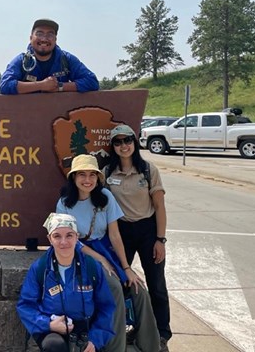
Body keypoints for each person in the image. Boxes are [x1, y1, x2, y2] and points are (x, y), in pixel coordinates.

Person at [57, 154, 161, 352]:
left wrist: (126, 267)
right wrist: (101, 259)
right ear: (73, 177)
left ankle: (151, 346)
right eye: (82, 175)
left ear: (98, 178)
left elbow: (114, 235)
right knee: (113, 286)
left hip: (105, 248)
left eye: (92, 175)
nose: (87, 180)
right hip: (79, 253)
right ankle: (116, 347)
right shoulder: (64, 203)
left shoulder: (106, 198)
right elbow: (71, 240)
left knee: (138, 289)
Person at [104, 125, 171, 352]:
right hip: (120, 232)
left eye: (128, 140)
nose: (124, 146)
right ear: (113, 146)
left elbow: (160, 206)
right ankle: (128, 328)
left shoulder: (148, 170)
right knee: (122, 282)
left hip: (147, 230)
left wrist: (160, 240)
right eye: (118, 141)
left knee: (156, 284)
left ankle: (162, 333)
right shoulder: (106, 173)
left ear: (135, 142)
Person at [17, 213, 116, 352]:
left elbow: (106, 307)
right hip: (53, 330)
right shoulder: (40, 268)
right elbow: (26, 306)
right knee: (54, 345)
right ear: (50, 239)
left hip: (86, 329)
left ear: (77, 237)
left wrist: (95, 340)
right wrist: (48, 325)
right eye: (57, 236)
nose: (64, 242)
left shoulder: (91, 267)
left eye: (69, 235)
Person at [0, 18, 99, 95]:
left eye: (50, 35)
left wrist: (60, 87)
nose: (44, 39)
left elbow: (92, 82)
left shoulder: (66, 59)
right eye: (39, 33)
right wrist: (41, 85)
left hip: (59, 118)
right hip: (27, 117)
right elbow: (5, 85)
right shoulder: (21, 61)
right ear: (30, 38)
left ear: (55, 39)